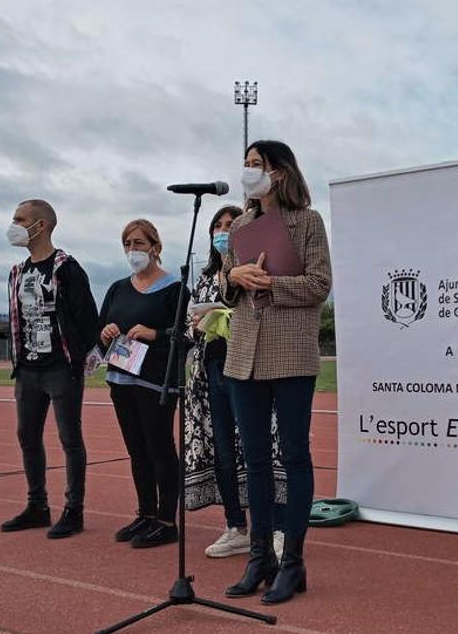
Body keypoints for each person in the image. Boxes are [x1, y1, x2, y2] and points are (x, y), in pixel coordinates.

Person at [221, 140, 332, 605]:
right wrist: (234, 278)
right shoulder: (240, 226)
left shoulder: (307, 221)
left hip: (290, 355)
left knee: (294, 454)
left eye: (256, 165)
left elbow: (320, 284)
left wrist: (271, 283)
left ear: (280, 172)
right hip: (243, 354)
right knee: (256, 458)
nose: (248, 173)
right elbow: (228, 288)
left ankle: (294, 562)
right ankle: (260, 555)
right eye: (245, 164)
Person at [182, 205, 288, 559]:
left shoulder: (259, 267)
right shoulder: (204, 277)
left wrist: (228, 314)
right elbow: (189, 323)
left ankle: (277, 528)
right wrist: (199, 323)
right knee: (225, 452)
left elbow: (269, 312)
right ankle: (235, 526)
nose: (223, 230)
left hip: (253, 369)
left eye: (230, 224)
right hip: (213, 372)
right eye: (217, 225)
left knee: (262, 450)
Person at [0, 199, 99, 539]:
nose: (13, 224)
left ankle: (74, 510)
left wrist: (78, 363)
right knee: (27, 435)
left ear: (40, 226)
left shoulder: (66, 269)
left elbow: (88, 320)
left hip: (61, 369)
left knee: (69, 438)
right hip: (28, 369)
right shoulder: (18, 272)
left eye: (20, 219)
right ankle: (37, 505)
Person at [100, 219, 189, 549]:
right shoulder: (117, 288)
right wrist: (106, 332)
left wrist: (156, 334)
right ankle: (146, 514)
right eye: (127, 244)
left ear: (156, 247)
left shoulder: (175, 289)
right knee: (136, 450)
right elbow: (100, 328)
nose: (132, 250)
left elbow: (188, 334)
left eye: (139, 243)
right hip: (121, 378)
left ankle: (167, 521)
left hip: (156, 382)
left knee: (160, 448)